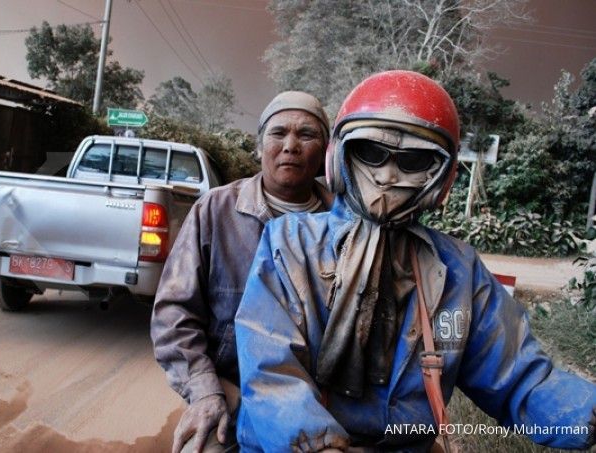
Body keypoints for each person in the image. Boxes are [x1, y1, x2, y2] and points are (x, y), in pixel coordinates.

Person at [234, 70, 596, 452]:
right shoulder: (290, 243)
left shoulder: (459, 270)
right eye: (372, 153)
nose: (388, 176)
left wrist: (584, 414)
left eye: (413, 160)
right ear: (339, 156)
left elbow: (521, 377)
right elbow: (271, 369)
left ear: (442, 177)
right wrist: (316, 444)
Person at [151, 91, 333, 453]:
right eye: (278, 133)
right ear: (260, 144)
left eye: (307, 135)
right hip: (235, 392)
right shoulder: (215, 211)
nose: (291, 146)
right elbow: (174, 314)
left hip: (325, 400)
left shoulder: (345, 224)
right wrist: (204, 391)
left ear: (327, 151)